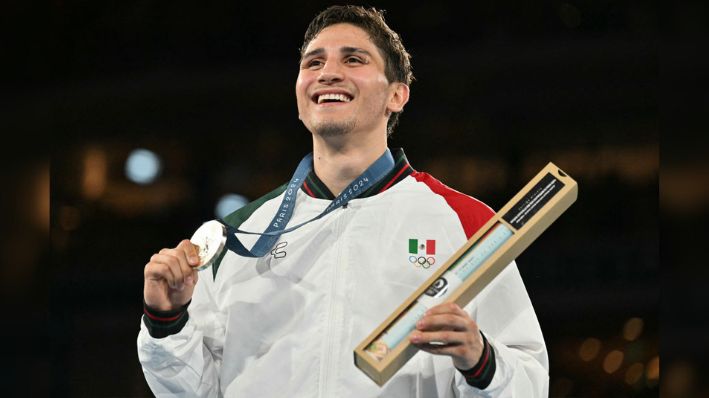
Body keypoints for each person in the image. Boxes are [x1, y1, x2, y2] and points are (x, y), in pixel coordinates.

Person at [137, 5, 548, 397]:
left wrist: (481, 360)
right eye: (313, 63)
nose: (328, 73)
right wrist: (167, 320)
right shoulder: (239, 233)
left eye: (354, 60)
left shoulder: (467, 223)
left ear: (397, 95)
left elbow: (530, 381)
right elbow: (193, 391)